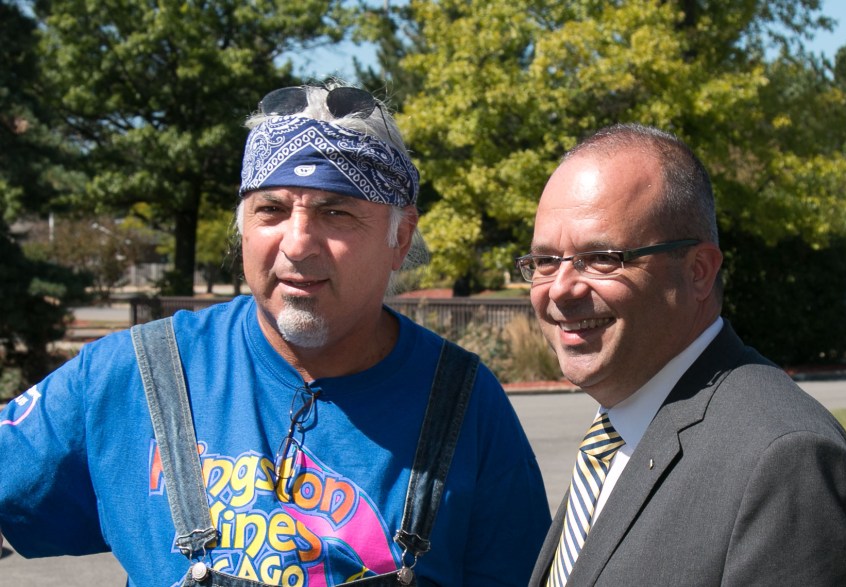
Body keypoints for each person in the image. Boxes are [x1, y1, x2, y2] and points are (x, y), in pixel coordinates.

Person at [0, 83, 551, 586]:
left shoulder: (464, 405)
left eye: (336, 213)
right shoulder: (135, 374)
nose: (297, 244)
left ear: (400, 238)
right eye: (271, 210)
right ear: (243, 227)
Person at [521, 123, 846, 586]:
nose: (560, 289)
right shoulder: (614, 435)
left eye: (602, 257)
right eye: (544, 262)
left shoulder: (786, 462)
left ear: (699, 271)